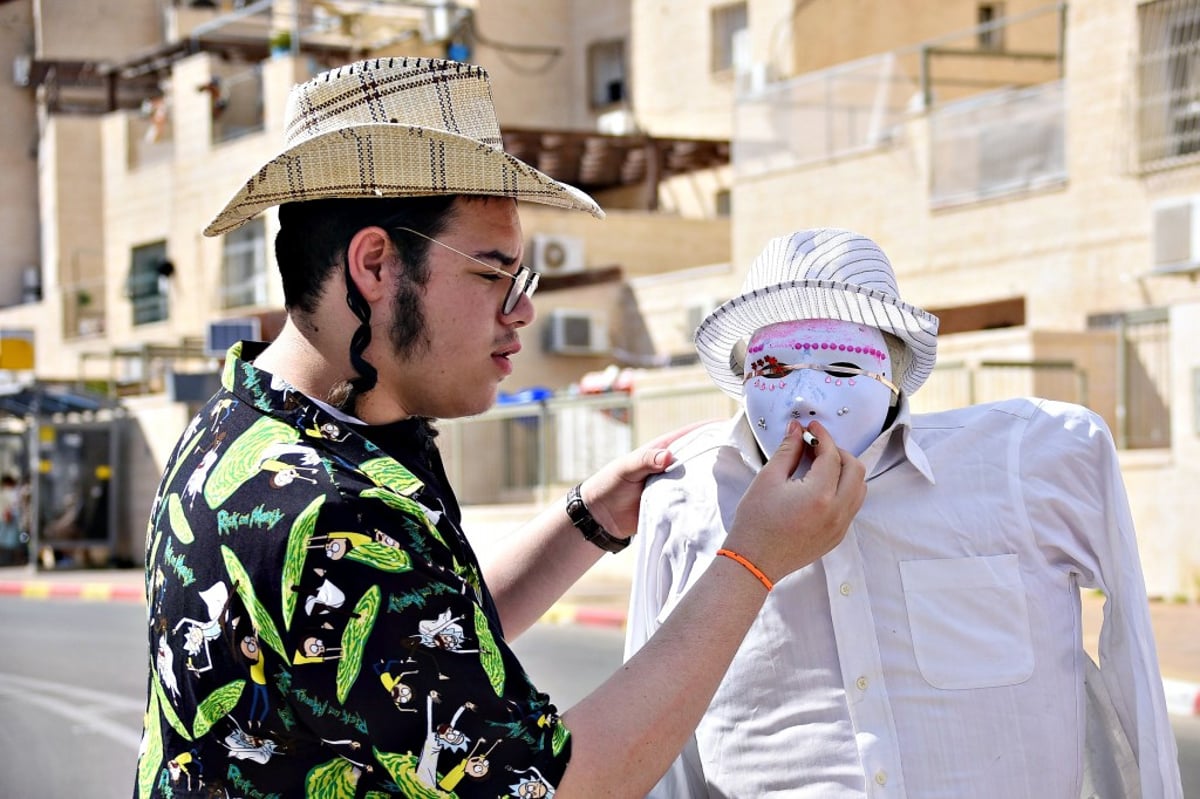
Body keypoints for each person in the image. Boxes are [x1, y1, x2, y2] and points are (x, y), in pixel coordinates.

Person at [134, 59, 867, 799]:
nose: (521, 311)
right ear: (376, 265)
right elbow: (561, 787)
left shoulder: (243, 420)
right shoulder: (331, 511)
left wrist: (587, 520)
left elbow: (419, 644)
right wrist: (753, 560)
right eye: (492, 275)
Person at [625, 228, 1184, 798]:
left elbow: (1133, 666)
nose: (804, 398)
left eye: (842, 367)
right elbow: (652, 743)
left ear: (891, 377)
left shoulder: (1030, 458)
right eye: (772, 370)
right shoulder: (684, 493)